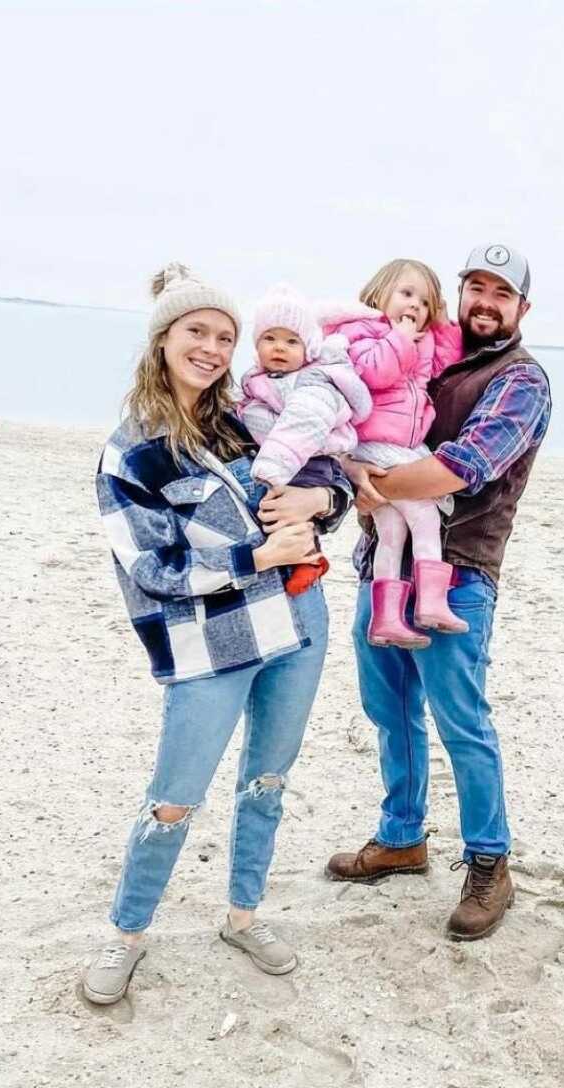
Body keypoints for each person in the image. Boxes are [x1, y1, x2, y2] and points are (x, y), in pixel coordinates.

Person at [82, 264, 351, 1004]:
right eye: (196, 331)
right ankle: (127, 932)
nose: (211, 346)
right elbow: (152, 566)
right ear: (163, 338)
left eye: (224, 336)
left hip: (298, 622)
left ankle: (242, 914)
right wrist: (256, 556)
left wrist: (323, 496)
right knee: (176, 796)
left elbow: (328, 475)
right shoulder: (130, 450)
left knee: (268, 779)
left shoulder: (247, 415)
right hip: (210, 641)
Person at [326, 243, 552, 942]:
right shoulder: (430, 353)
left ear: (521, 307)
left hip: (459, 576)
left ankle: (490, 864)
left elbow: (463, 466)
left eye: (500, 293)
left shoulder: (522, 380)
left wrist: (364, 483)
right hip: (381, 568)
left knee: (463, 724)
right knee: (389, 712)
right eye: (475, 288)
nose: (485, 302)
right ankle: (401, 838)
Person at [322, 259, 466, 649]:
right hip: (374, 442)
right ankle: (430, 603)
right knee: (424, 514)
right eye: (406, 294)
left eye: (425, 302)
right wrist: (400, 337)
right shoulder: (363, 332)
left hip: (403, 446)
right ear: (380, 293)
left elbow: (444, 364)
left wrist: (442, 325)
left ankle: (386, 619)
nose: (414, 307)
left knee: (392, 531)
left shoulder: (421, 338)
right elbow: (375, 372)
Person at [236, 283, 372, 595]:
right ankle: (305, 556)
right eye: (269, 338)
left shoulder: (310, 382)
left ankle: (309, 559)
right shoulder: (255, 380)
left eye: (290, 341)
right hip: (286, 459)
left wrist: (272, 464)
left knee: (286, 509)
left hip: (310, 461)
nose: (279, 347)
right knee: (278, 511)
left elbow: (304, 423)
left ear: (307, 349)